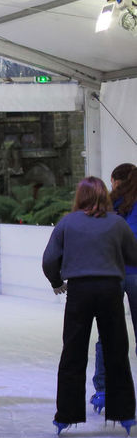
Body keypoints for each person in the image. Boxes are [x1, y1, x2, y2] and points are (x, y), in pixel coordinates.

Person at [42, 176, 137, 435]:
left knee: (73, 353)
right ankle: (125, 413)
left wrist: (56, 280)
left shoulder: (67, 223)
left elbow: (50, 258)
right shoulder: (117, 223)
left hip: (80, 292)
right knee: (116, 351)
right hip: (109, 290)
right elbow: (133, 256)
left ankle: (66, 415)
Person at [89, 163, 137, 414]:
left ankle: (103, 389)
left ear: (116, 181)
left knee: (108, 333)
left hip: (112, 273)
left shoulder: (108, 205)